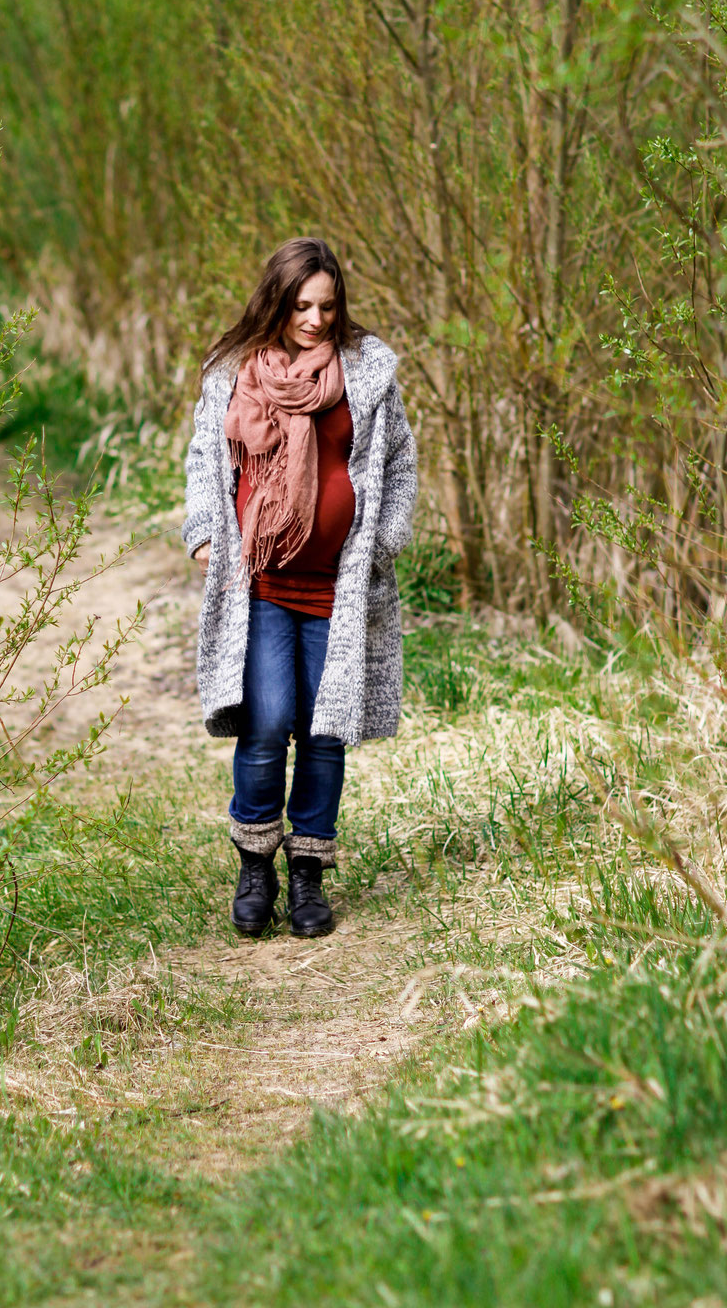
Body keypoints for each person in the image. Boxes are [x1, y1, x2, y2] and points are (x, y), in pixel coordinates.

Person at [183, 236, 417, 938]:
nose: (315, 320)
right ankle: (256, 865)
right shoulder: (234, 371)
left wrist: (385, 537)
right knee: (267, 722)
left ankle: (309, 876)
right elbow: (203, 457)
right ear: (277, 302)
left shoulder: (368, 372)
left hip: (341, 588)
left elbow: (400, 461)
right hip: (257, 583)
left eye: (327, 305)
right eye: (301, 306)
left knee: (323, 732)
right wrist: (201, 529)